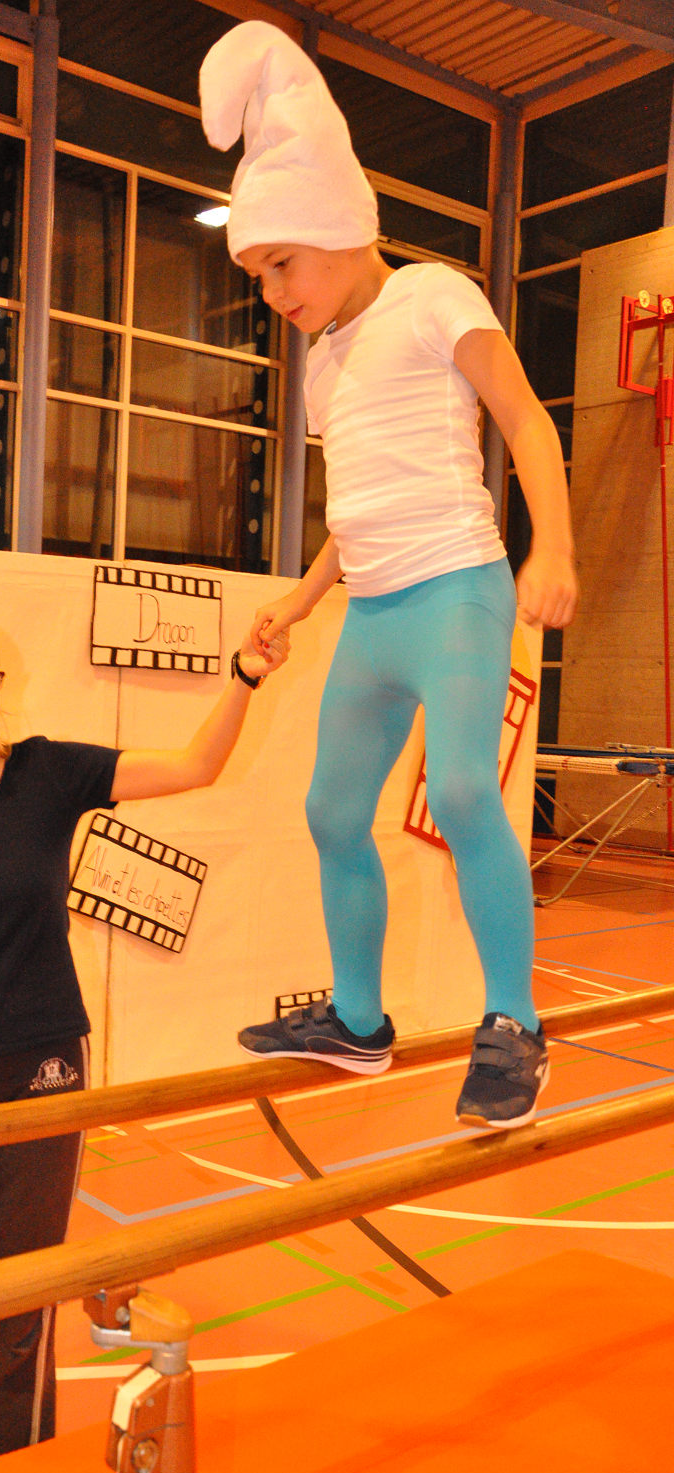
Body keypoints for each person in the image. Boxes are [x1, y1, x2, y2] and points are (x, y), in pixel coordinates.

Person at [199, 21, 578, 1130]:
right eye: (258, 274)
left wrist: (553, 547)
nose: (273, 292)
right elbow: (354, 510)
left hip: (458, 590)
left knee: (460, 790)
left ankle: (514, 1024)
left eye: (281, 263)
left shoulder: (432, 295)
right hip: (371, 612)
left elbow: (525, 418)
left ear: (336, 225)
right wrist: (301, 595)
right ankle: (358, 1020)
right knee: (329, 808)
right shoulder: (323, 363)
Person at [0, 613, 286, 1468]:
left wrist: (244, 675)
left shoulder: (47, 772)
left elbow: (195, 765)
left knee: (25, 1299)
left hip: (44, 1056)